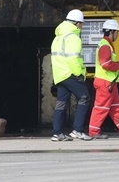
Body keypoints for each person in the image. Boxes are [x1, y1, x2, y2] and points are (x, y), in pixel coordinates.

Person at [50, 9, 92, 141]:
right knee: (84, 97)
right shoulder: (73, 38)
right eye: (82, 24)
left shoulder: (58, 37)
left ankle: (57, 133)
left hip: (60, 75)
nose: (82, 26)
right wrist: (80, 73)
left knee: (61, 103)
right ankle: (77, 130)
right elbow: (73, 58)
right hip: (70, 73)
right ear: (77, 23)